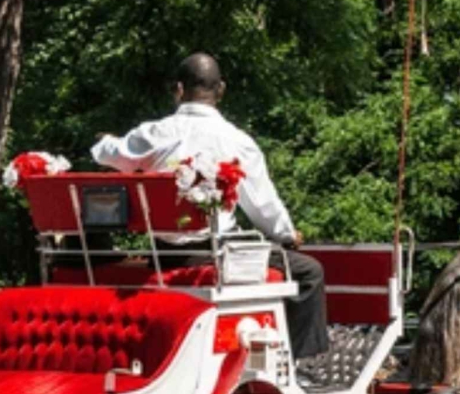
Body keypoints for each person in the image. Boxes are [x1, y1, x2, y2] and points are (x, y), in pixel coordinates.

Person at [91, 52, 329, 360]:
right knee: (310, 273)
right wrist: (286, 235)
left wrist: (105, 141)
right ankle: (302, 364)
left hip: (162, 257)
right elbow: (262, 205)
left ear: (178, 89)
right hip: (215, 256)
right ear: (221, 91)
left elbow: (108, 153)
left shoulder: (151, 134)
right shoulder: (236, 141)